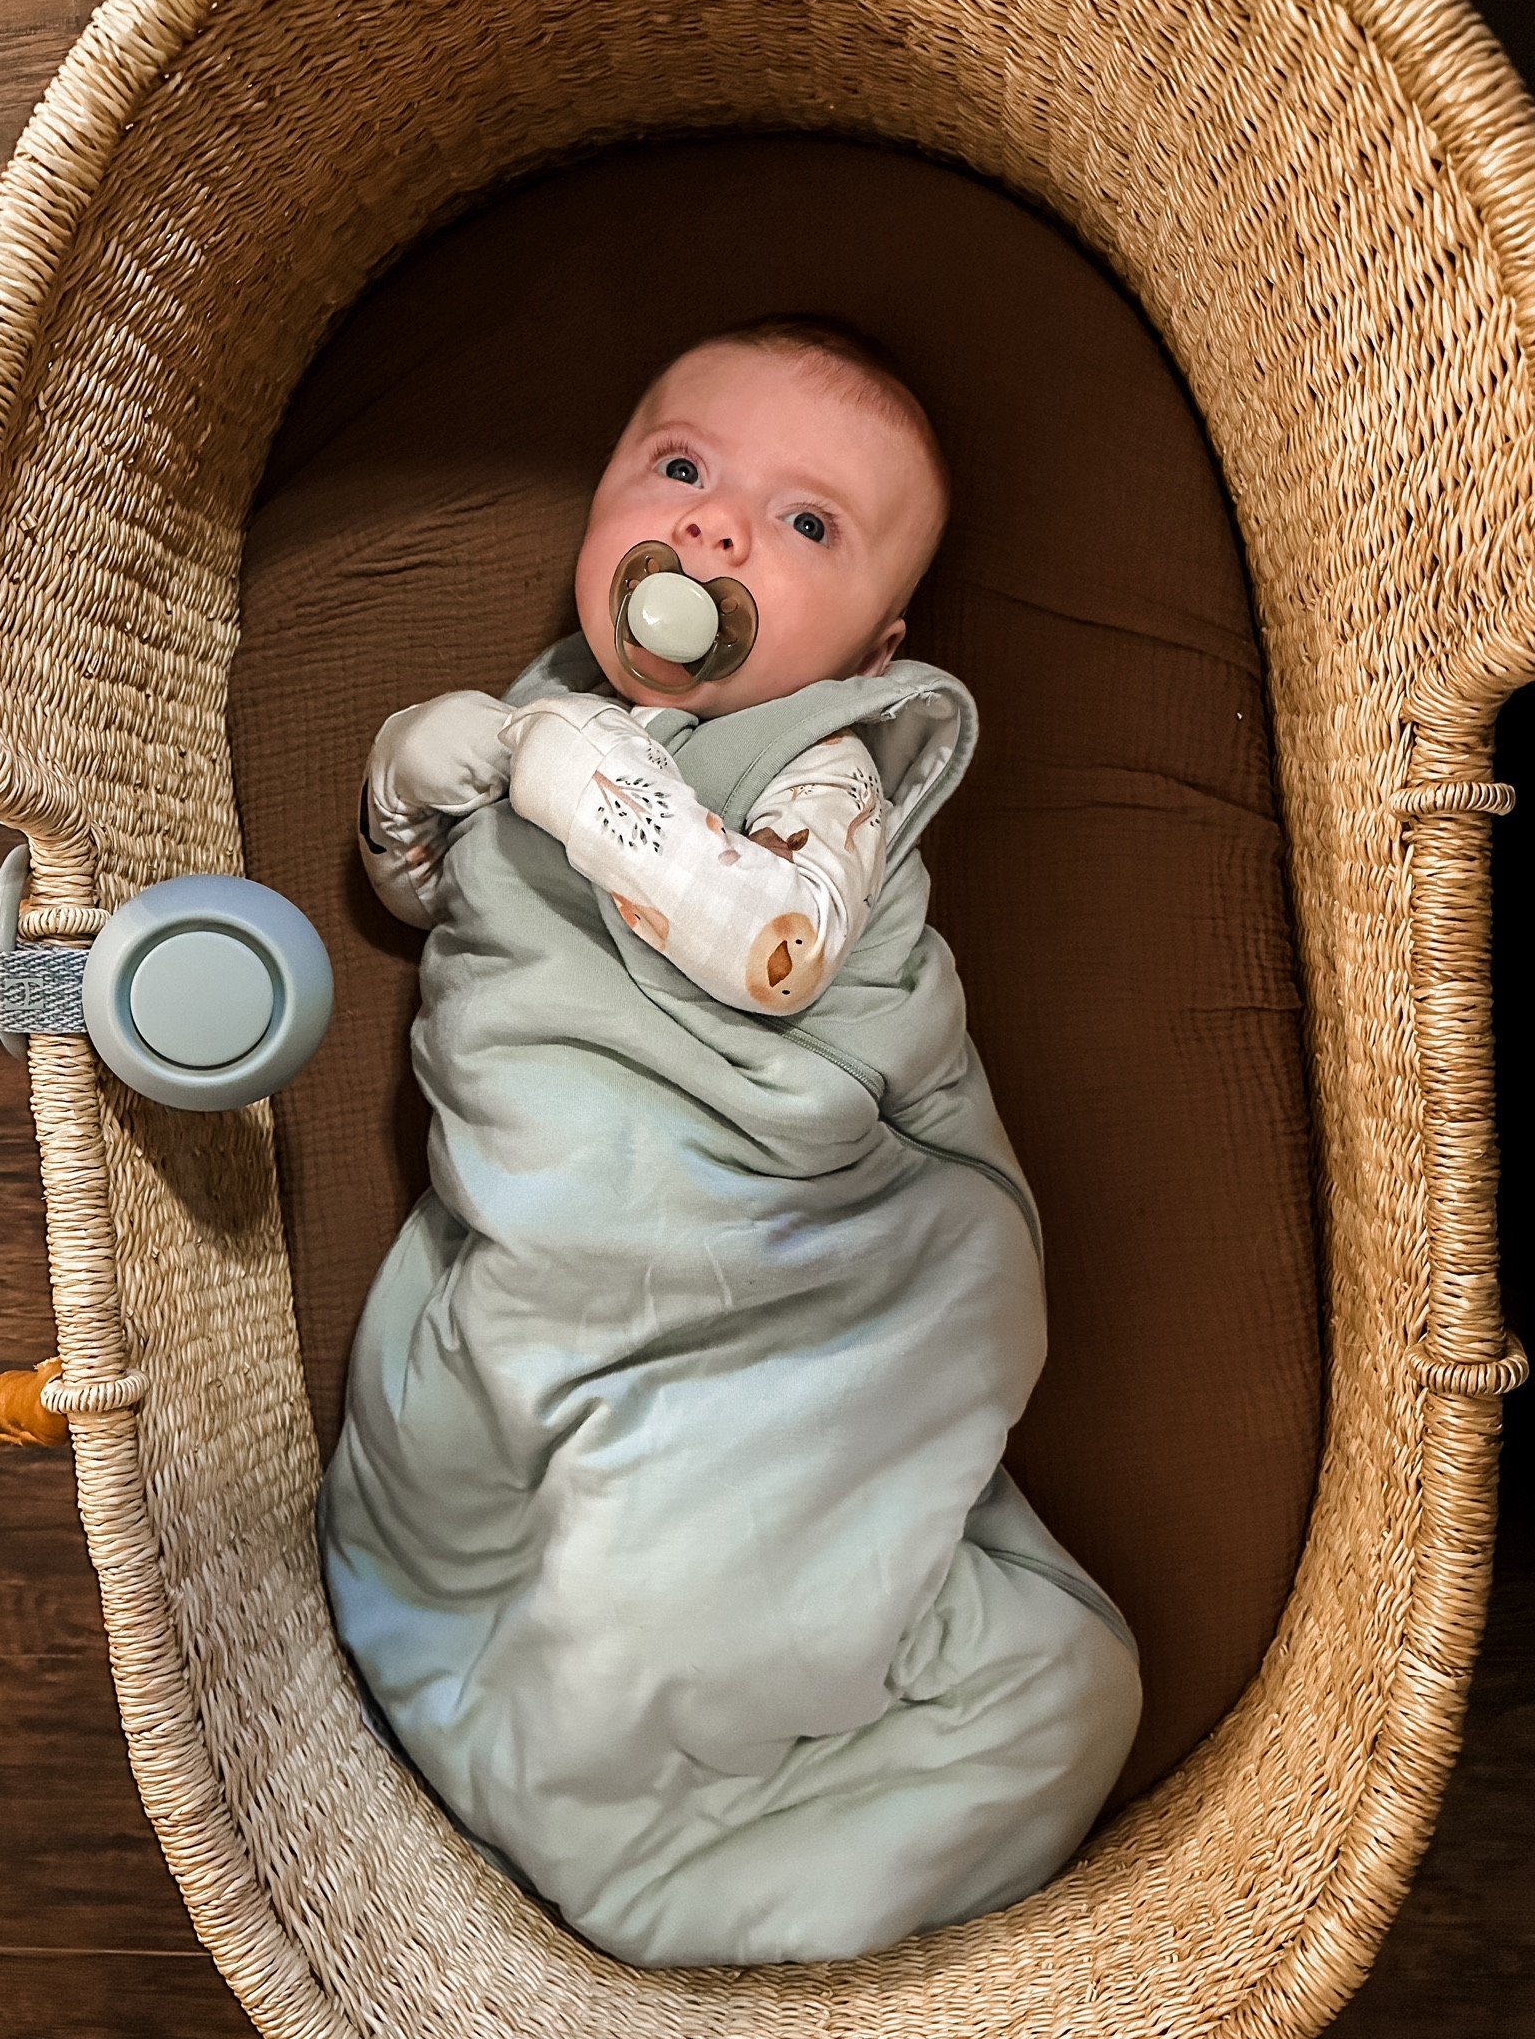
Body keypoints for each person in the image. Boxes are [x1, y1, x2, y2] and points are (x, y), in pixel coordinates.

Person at [318, 316, 1141, 1969]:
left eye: (805, 522)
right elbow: (436, 903)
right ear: (609, 501)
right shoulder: (535, 715)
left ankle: (645, 1824)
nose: (713, 529)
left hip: (783, 1264)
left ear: (872, 642)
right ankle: (624, 1781)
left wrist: (578, 787)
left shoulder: (825, 759)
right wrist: (415, 781)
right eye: (681, 470)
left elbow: (772, 945)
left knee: (970, 1653)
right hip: (560, 1244)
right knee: (510, 1481)